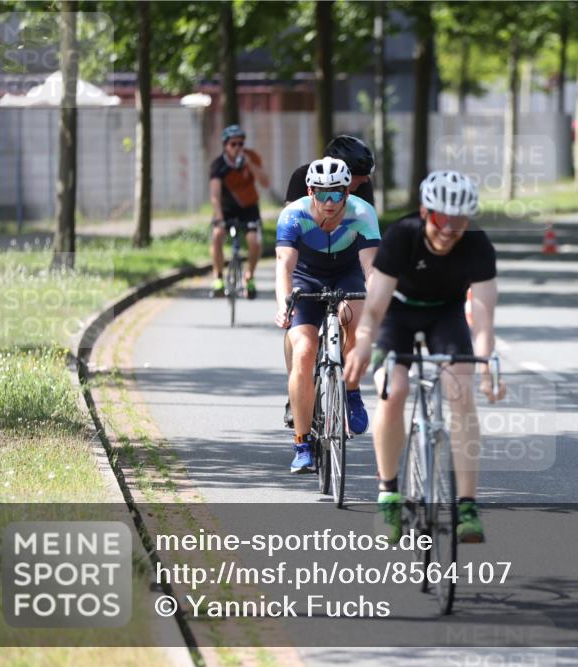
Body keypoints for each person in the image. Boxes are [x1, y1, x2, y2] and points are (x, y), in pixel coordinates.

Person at [344, 170, 506, 544]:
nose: (448, 229)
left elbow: (483, 321)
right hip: (397, 313)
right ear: (424, 212)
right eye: (440, 218)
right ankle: (389, 494)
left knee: (461, 391)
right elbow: (374, 309)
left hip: (446, 314)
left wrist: (486, 368)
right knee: (393, 389)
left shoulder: (477, 245)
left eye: (458, 221)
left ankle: (467, 506)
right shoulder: (403, 235)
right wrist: (364, 344)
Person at [275, 157, 380, 473]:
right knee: (304, 352)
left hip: (347, 275)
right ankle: (302, 443)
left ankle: (351, 390)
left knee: (356, 323)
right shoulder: (294, 215)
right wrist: (283, 304)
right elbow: (284, 266)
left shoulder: (362, 213)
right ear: (310, 191)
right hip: (306, 277)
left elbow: (371, 268)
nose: (330, 202)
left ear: (348, 192)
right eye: (322, 193)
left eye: (337, 193)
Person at [209, 124, 270, 298]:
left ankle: (249, 276)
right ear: (225, 146)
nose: (237, 147)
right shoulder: (219, 165)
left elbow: (265, 182)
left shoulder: (251, 157)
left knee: (253, 240)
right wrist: (220, 218)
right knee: (218, 234)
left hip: (249, 208)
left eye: (241, 144)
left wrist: (249, 164)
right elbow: (215, 195)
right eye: (233, 144)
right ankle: (218, 276)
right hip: (226, 208)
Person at [286, 135, 375, 206]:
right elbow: (290, 217)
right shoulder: (302, 177)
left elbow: (368, 220)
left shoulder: (363, 185)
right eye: (359, 174)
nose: (365, 180)